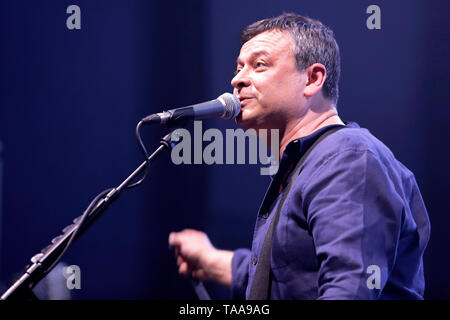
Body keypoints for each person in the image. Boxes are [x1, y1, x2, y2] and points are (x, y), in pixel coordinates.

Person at [168, 13, 430, 299]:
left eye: (259, 65)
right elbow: (288, 277)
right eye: (239, 67)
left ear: (312, 79)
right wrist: (211, 260)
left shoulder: (348, 158)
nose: (237, 79)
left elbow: (347, 290)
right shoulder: (312, 163)